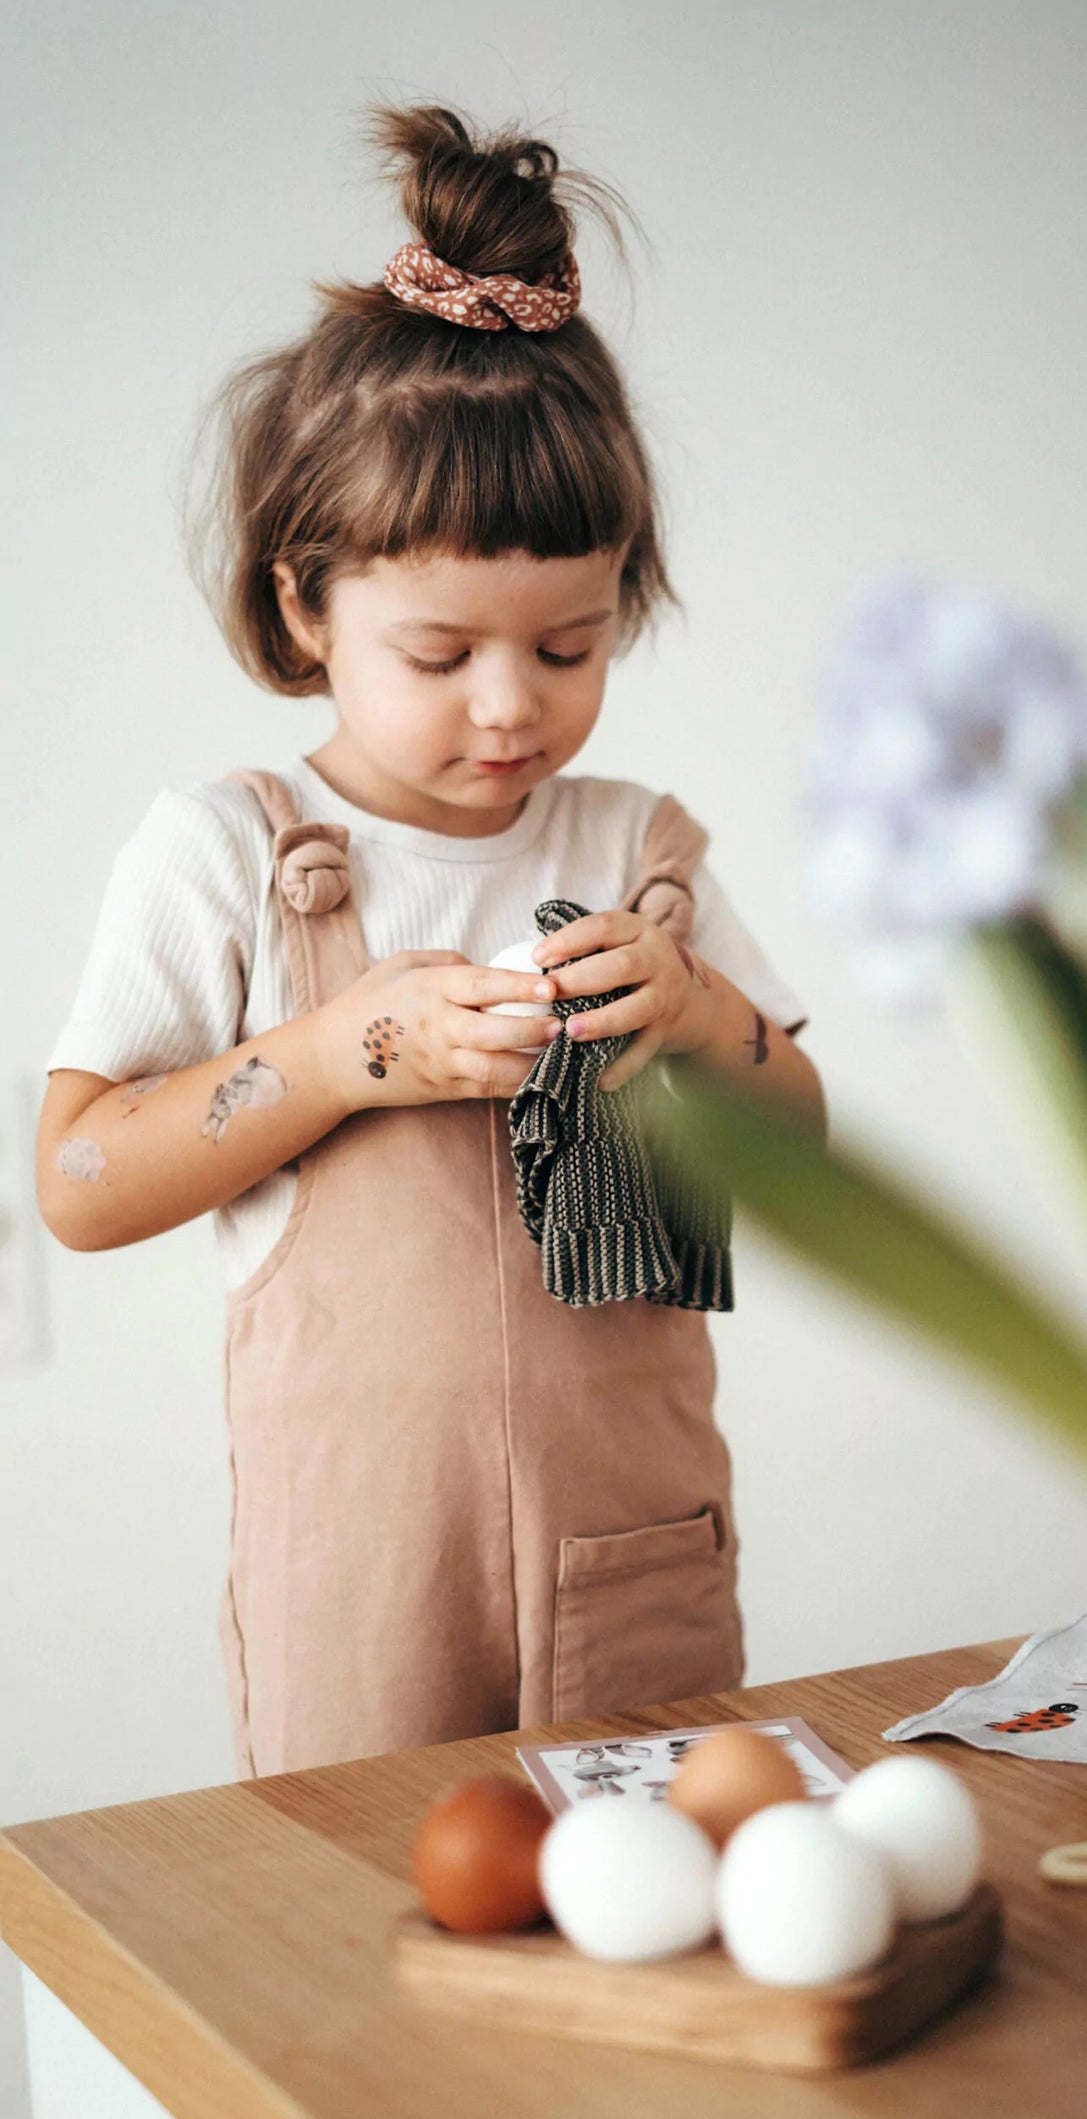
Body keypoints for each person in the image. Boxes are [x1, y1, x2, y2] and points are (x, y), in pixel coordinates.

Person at [36, 101, 825, 1779]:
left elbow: (801, 1143)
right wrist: (336, 1057)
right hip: (366, 1589)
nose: (506, 704)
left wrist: (693, 1018)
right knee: (370, 1935)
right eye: (440, 647)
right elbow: (80, 1183)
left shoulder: (638, 851)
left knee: (660, 1914)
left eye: (569, 642)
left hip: (640, 1561)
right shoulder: (230, 858)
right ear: (306, 601)